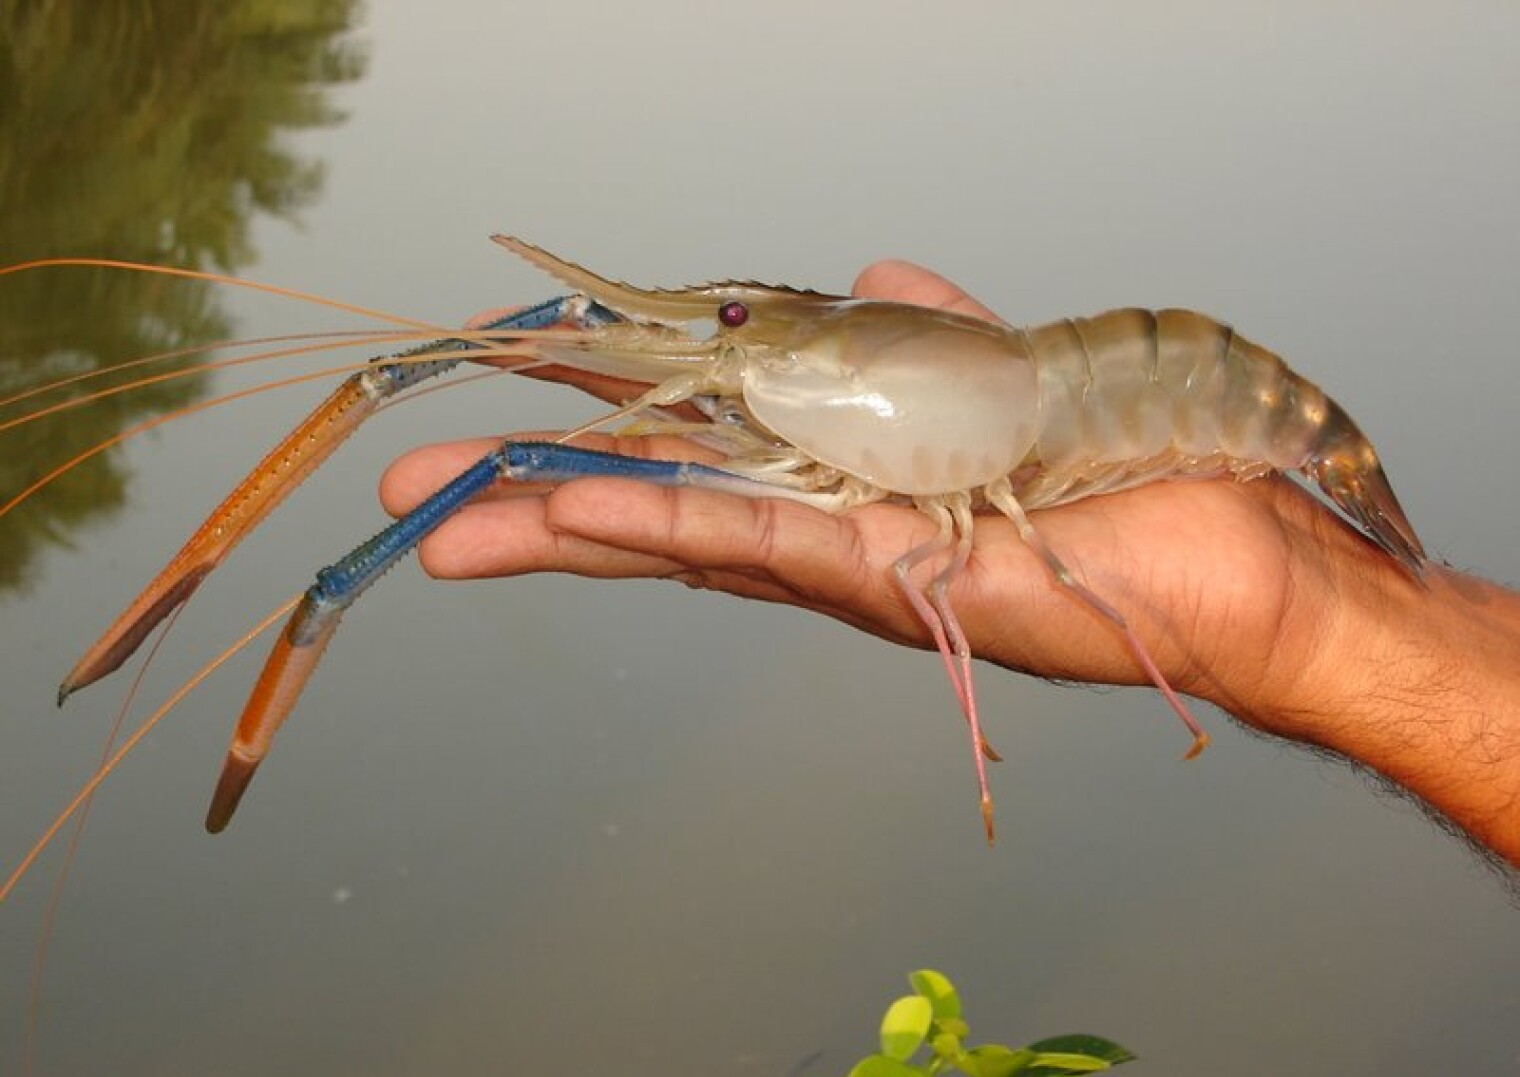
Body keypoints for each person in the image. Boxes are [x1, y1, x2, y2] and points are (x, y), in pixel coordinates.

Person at [379, 260, 1520, 870]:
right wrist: (1341, 623)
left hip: (1204, 395)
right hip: (1083, 394)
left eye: (735, 319)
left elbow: (942, 562)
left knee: (922, 567)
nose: (722, 341)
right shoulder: (794, 362)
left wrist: (1322, 616)